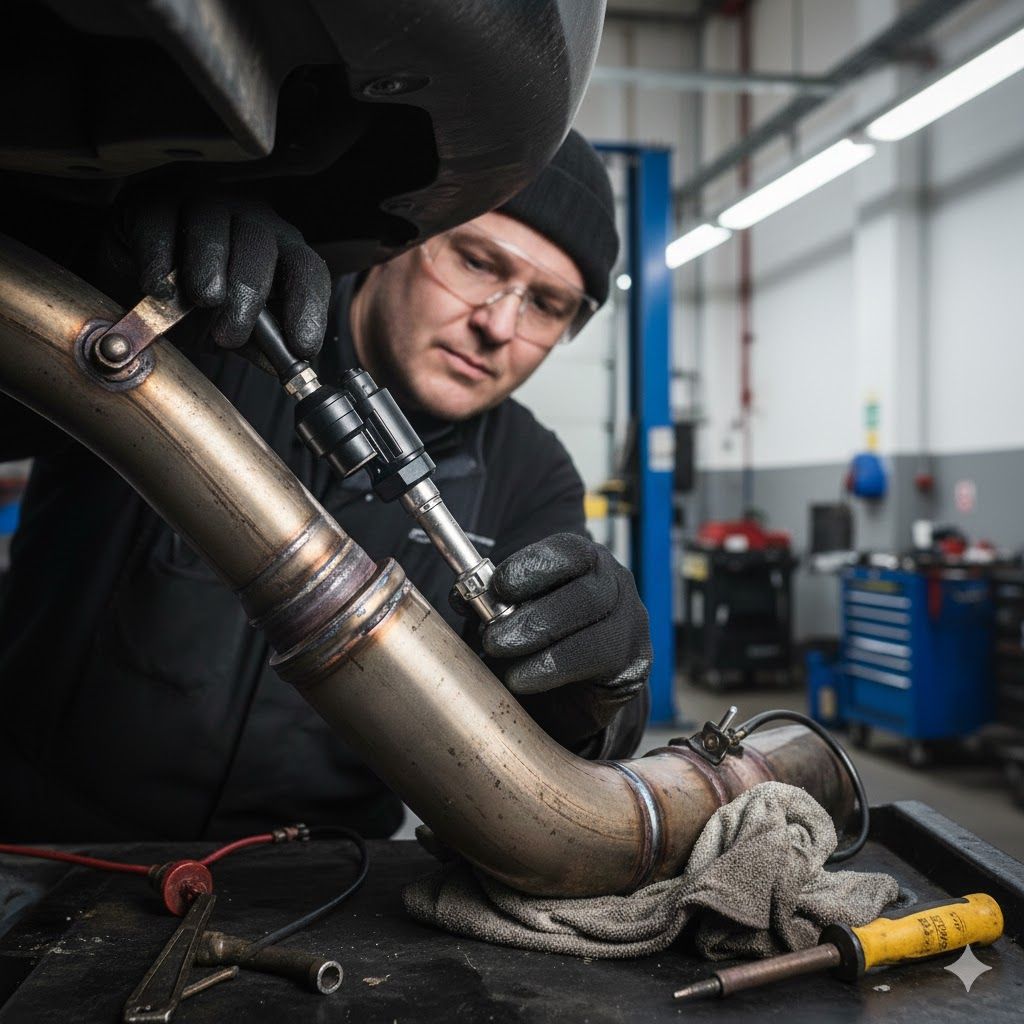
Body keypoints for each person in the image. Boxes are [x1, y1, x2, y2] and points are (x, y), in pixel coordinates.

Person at [0, 131, 652, 842]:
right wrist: (95, 276)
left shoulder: (534, 471)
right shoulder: (209, 314)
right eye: (475, 261)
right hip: (48, 846)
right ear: (403, 243)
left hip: (323, 888)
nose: (498, 324)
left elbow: (551, 748)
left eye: (547, 305)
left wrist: (599, 693)